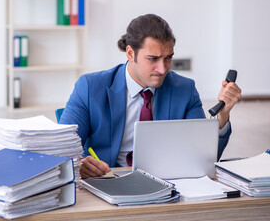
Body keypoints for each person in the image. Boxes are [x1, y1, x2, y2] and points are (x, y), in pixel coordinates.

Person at [59, 14, 242, 179]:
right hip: (107, 179)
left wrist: (223, 115)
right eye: (153, 59)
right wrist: (79, 164)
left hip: (166, 182)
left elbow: (203, 159)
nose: (162, 69)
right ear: (131, 53)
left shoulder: (185, 89)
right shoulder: (90, 87)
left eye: (168, 57)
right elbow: (61, 149)